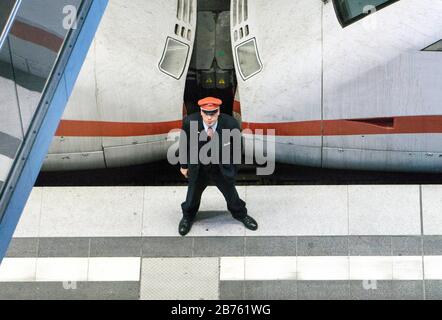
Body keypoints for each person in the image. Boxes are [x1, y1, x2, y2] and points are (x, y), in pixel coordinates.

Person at [178, 97, 258, 236]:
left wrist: (233, 167)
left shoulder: (230, 124)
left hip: (221, 167)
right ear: (201, 112)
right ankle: (188, 216)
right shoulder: (189, 122)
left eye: (213, 113)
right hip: (199, 167)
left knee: (231, 194)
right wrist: (184, 165)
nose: (209, 118)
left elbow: (237, 148)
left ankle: (240, 214)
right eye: (206, 113)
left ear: (218, 111)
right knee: (192, 195)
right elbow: (184, 145)